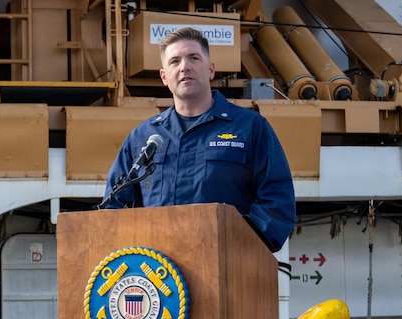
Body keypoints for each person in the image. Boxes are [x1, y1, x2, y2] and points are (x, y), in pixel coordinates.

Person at [104, 26, 296, 252]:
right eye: (174, 61)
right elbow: (115, 205)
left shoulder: (250, 128)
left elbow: (277, 201)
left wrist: (239, 246)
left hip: (227, 264)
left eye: (193, 58)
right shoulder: (142, 138)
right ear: (164, 77)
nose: (184, 67)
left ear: (211, 69)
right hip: (158, 273)